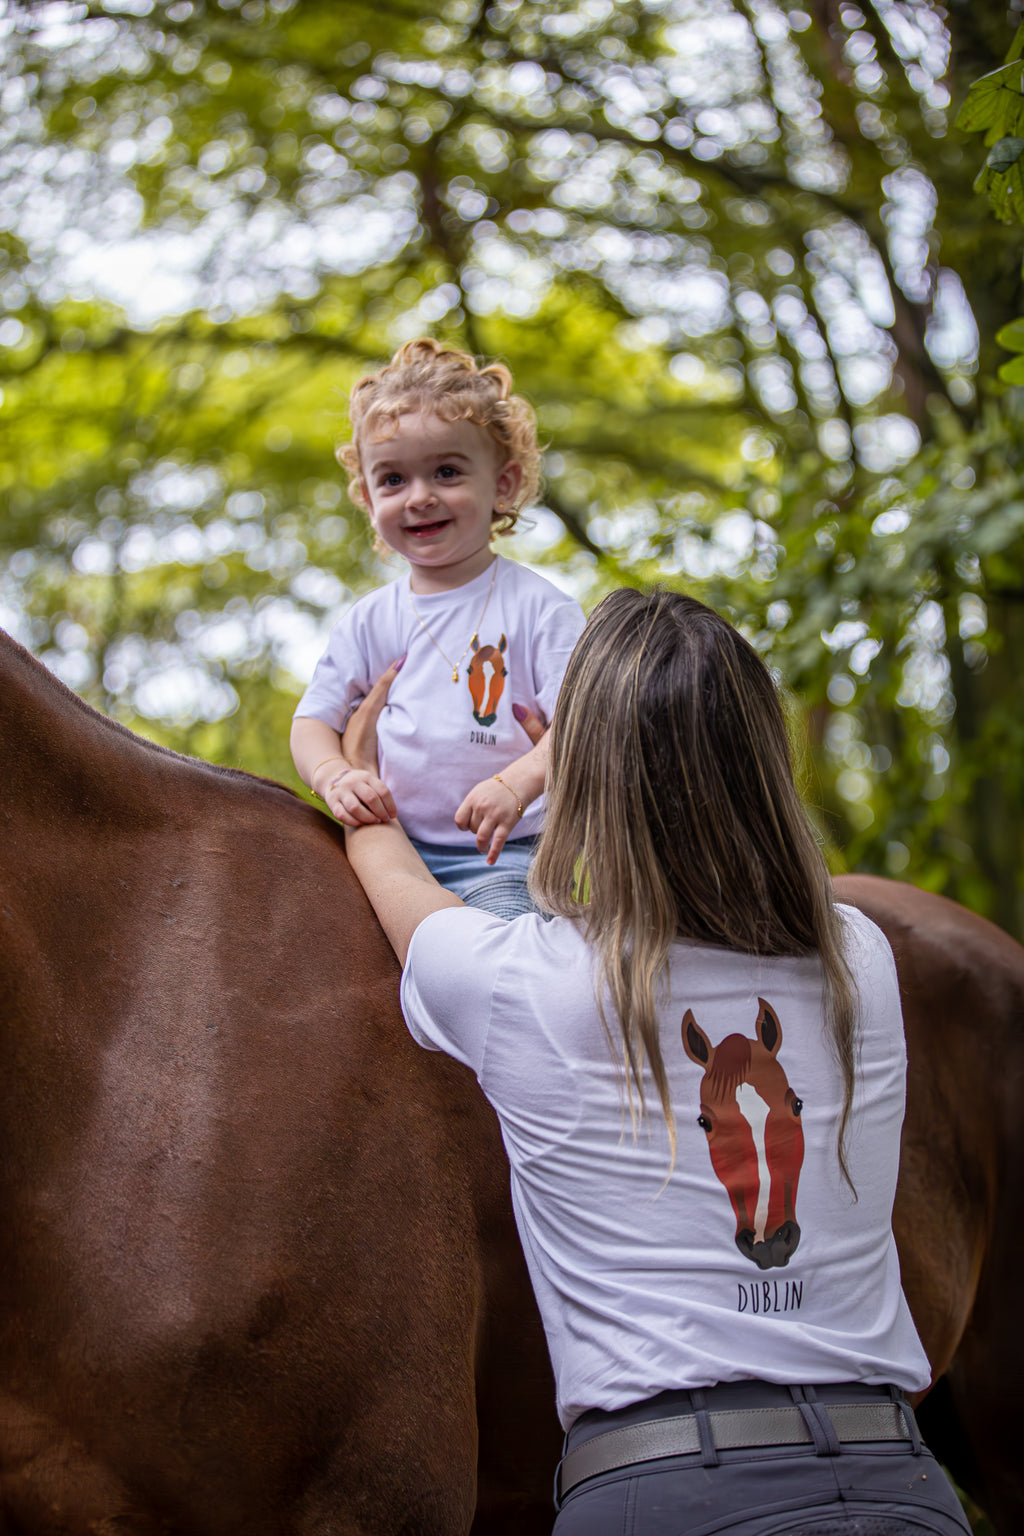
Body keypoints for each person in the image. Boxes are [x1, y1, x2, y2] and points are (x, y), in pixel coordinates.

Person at [340, 587, 972, 1536]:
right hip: (896, 1484)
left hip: (666, 1494)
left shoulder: (530, 982)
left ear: (582, 778)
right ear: (765, 757)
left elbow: (394, 875)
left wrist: (363, 782)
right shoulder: (860, 960)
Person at [290, 337, 585, 918]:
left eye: (446, 471)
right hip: (388, 841)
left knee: (497, 950)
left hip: (506, 856)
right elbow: (312, 721)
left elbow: (584, 724)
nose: (419, 497)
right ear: (368, 497)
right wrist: (335, 776)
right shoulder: (373, 618)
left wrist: (519, 780)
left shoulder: (540, 609)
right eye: (393, 480)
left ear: (501, 485)